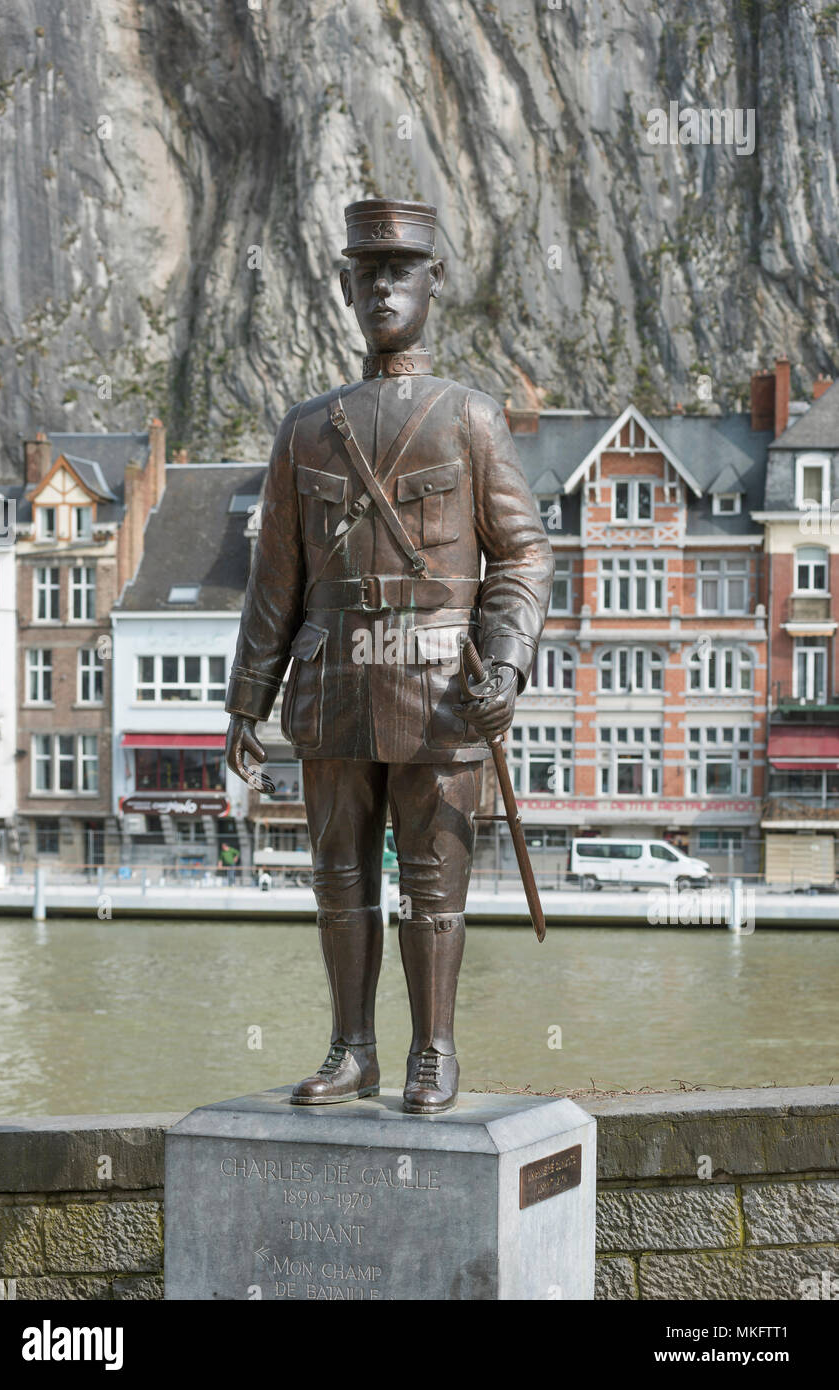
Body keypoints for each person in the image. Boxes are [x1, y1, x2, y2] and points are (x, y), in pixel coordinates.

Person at [226, 198, 552, 1114]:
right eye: (365, 274)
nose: (381, 289)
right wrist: (245, 698)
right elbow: (275, 581)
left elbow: (523, 554)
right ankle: (351, 1047)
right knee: (337, 877)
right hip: (332, 686)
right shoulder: (305, 429)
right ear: (342, 285)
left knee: (432, 882)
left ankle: (433, 1051)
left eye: (399, 272)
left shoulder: (470, 418)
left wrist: (506, 660)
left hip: (440, 684)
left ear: (431, 284)